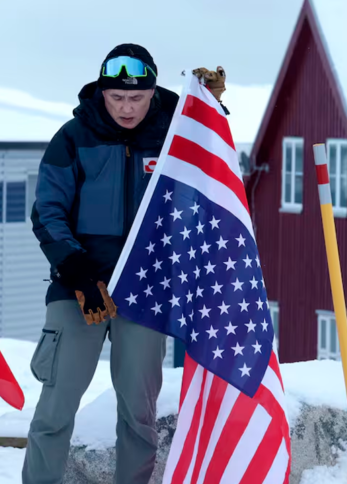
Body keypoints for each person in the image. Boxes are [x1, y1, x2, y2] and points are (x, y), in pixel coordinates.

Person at [24, 43, 226, 484]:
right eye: (117, 97)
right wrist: (76, 269)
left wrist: (211, 109)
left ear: (154, 92)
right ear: (102, 92)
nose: (127, 107)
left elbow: (215, 167)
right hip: (79, 287)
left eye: (137, 97)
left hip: (146, 289)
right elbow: (47, 210)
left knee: (139, 414)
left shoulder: (177, 136)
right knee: (55, 410)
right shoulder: (73, 138)